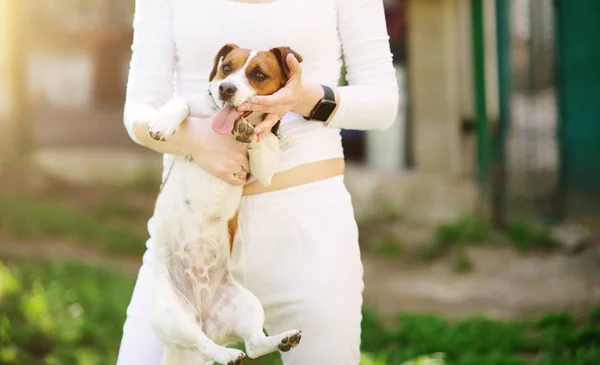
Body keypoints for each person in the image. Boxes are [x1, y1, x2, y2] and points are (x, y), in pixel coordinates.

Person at [116, 0, 399, 364]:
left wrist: (302, 97)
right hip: (190, 235)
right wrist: (197, 142)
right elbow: (140, 108)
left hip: (307, 235)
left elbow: (383, 102)